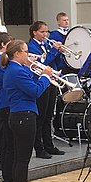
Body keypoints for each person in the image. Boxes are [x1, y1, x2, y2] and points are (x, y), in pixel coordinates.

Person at [2, 39, 53, 182]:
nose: (28, 54)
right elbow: (35, 91)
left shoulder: (17, 68)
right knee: (22, 159)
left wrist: (37, 70)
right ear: (17, 53)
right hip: (24, 116)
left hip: (20, 115)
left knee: (19, 158)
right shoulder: (16, 71)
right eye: (25, 52)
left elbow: (29, 81)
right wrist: (46, 76)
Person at [28, 21, 64, 159]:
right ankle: (39, 148)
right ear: (34, 32)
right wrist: (54, 51)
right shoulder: (31, 47)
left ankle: (49, 145)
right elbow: (42, 64)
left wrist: (59, 52)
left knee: (49, 116)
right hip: (40, 83)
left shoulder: (47, 45)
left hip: (51, 82)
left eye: (46, 32)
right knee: (41, 117)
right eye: (42, 32)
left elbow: (54, 62)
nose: (45, 35)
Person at [0, 33, 15, 182]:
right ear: (3, 45)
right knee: (8, 147)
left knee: (11, 146)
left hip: (10, 104)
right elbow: (8, 80)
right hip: (6, 104)